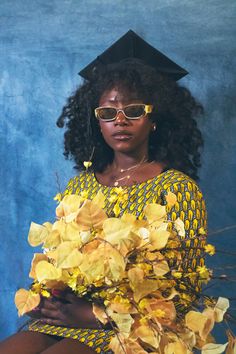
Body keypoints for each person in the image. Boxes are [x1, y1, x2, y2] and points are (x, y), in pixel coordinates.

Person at [0, 30, 207, 354]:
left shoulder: (177, 190)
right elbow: (60, 261)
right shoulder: (81, 185)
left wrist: (97, 315)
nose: (120, 120)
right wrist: (46, 297)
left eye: (134, 110)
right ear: (96, 122)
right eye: (108, 113)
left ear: (154, 118)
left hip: (132, 330)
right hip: (68, 317)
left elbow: (183, 294)